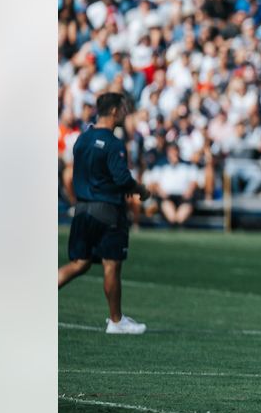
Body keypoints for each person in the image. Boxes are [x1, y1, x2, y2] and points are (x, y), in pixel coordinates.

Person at [57, 93, 152, 334]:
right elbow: (122, 179)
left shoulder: (82, 139)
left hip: (82, 210)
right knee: (112, 265)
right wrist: (141, 190)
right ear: (114, 111)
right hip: (107, 210)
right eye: (122, 109)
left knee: (79, 263)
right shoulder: (112, 143)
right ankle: (116, 321)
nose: (125, 114)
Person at [145, 144, 201, 227]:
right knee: (172, 218)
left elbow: (194, 182)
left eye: (175, 151)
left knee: (180, 219)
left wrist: (189, 190)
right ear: (168, 153)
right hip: (166, 198)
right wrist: (161, 191)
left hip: (184, 198)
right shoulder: (160, 165)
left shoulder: (188, 165)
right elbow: (154, 183)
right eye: (171, 151)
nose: (174, 154)